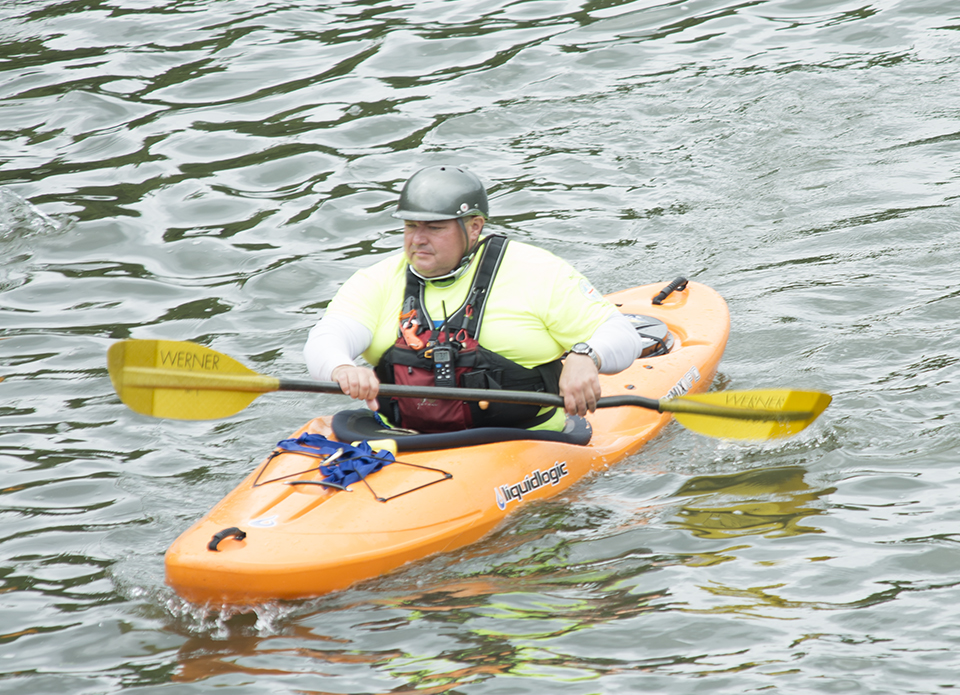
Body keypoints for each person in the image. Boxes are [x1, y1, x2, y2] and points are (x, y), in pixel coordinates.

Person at [304, 165, 643, 434]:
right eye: (410, 226)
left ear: (475, 227)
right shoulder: (376, 280)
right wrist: (342, 368)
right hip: (403, 439)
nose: (418, 239)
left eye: (435, 228)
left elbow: (621, 333)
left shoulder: (537, 272)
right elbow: (326, 339)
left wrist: (585, 356)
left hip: (526, 438)